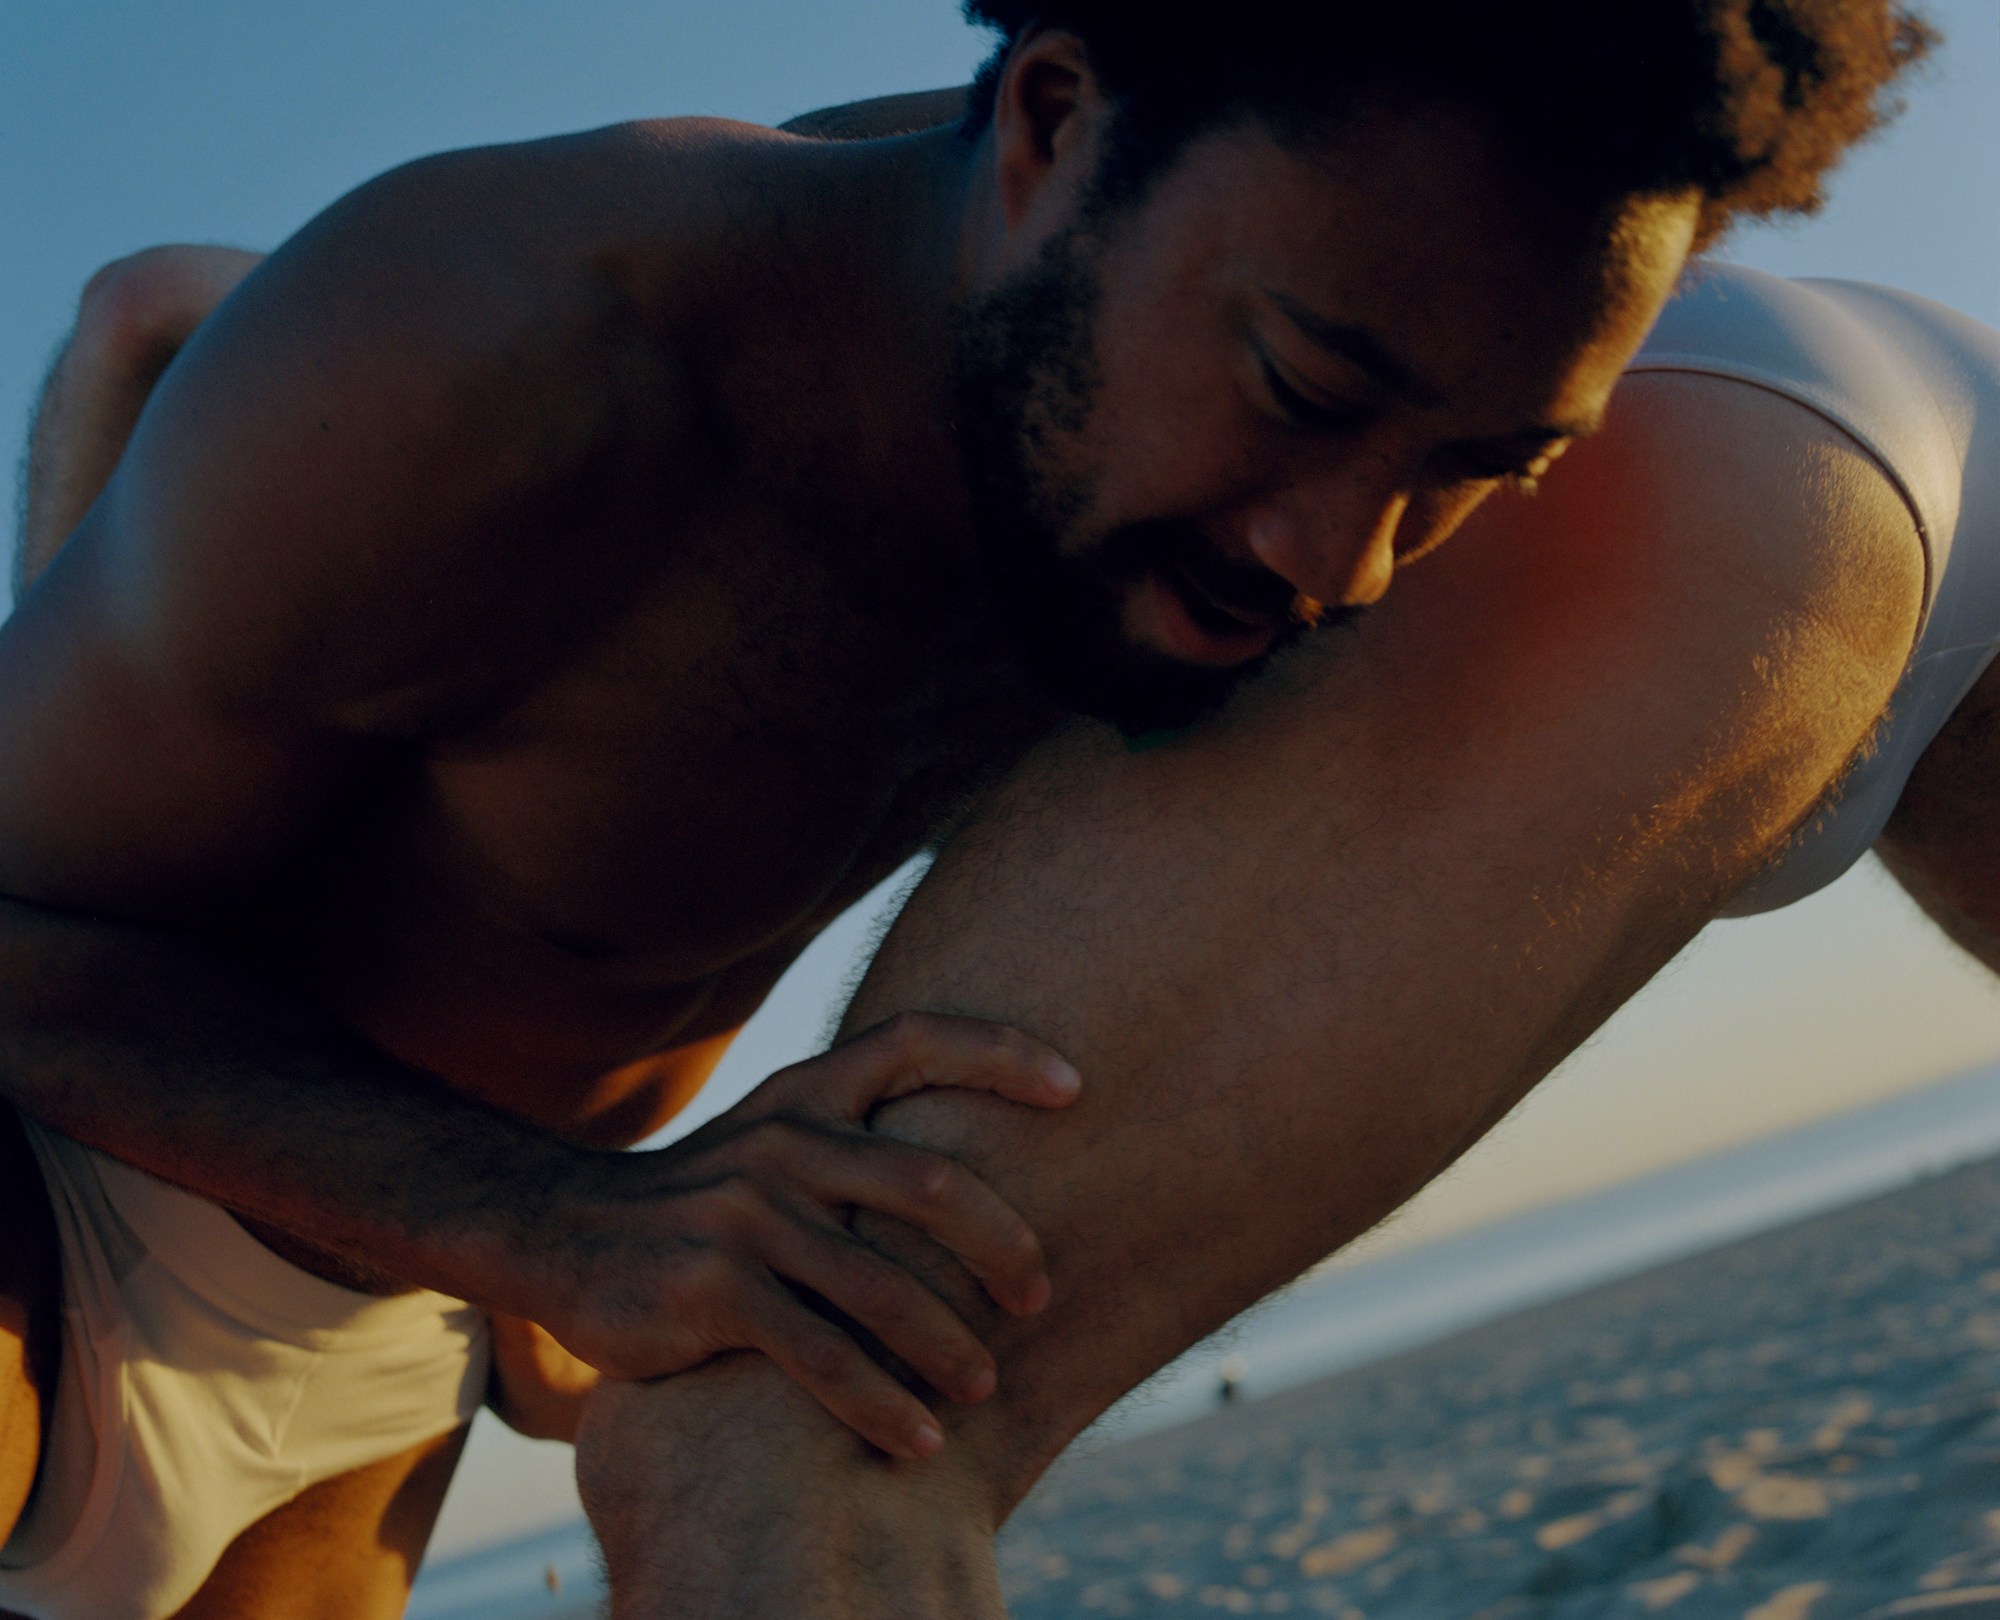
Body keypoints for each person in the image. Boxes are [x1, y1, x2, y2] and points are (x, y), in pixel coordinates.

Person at [0, 3, 1935, 1616]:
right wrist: (553, 1221)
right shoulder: (510, 343)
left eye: (1480, 465)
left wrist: (535, 1251)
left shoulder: (1215, 345)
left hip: (400, 1349)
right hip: (82, 1190)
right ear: (1053, 121)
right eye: (1302, 390)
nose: (1347, 561)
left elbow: (159, 309)